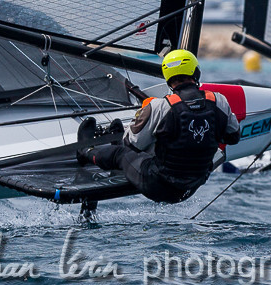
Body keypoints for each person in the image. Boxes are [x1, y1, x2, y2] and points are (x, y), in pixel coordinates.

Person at [78, 48, 240, 204]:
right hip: (193, 186)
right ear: (195, 72)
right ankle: (118, 147)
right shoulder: (219, 101)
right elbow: (233, 137)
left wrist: (142, 114)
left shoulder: (160, 106)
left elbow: (131, 143)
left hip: (159, 186)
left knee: (121, 153)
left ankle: (85, 151)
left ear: (167, 76)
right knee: (167, 142)